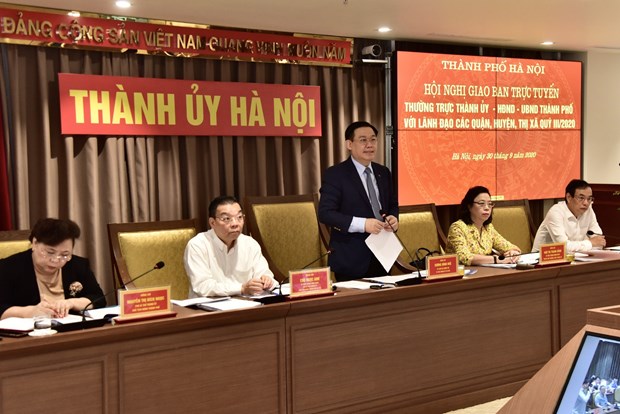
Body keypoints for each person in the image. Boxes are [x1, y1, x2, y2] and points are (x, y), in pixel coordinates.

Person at [318, 121, 399, 281]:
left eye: (373, 140)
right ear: (349, 144)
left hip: (383, 254)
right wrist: (363, 224)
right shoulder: (336, 174)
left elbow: (392, 205)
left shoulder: (383, 172)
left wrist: (394, 218)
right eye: (363, 140)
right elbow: (326, 213)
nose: (369, 145)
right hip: (351, 259)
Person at [0, 218, 105, 320]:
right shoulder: (8, 268)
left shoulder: (78, 265)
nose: (55, 260)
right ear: (34, 243)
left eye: (64, 255)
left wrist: (71, 303)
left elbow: (98, 298)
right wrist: (27, 312)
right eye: (50, 252)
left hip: (70, 328)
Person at [184, 195, 276, 297]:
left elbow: (264, 273)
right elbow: (203, 286)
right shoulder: (197, 245)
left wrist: (266, 280)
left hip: (247, 304)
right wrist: (241, 288)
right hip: (208, 305)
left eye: (239, 217)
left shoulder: (250, 244)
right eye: (227, 219)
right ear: (212, 223)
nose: (235, 224)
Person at [446, 186, 521, 265]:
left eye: (490, 204)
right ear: (469, 206)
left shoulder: (488, 228)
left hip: (485, 270)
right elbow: (465, 257)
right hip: (462, 271)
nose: (487, 208)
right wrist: (497, 259)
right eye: (481, 203)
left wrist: (513, 252)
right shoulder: (457, 228)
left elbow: (510, 247)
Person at [533, 179, 605, 252]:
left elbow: (600, 241)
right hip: (543, 257)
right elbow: (563, 247)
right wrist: (590, 243)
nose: (586, 203)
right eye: (581, 198)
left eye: (589, 199)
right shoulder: (556, 212)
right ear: (569, 197)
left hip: (575, 256)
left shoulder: (588, 211)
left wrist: (591, 244)